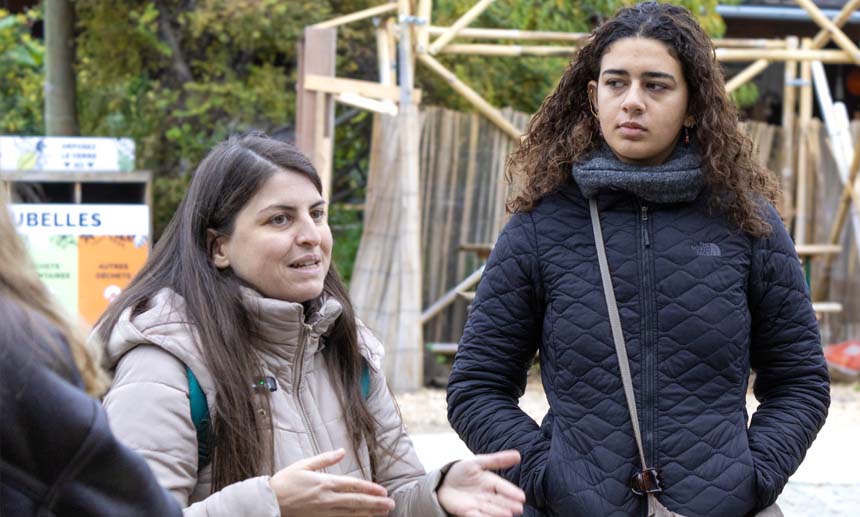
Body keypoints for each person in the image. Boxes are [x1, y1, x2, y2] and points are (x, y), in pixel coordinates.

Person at [446, 3, 831, 516]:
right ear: (592, 96)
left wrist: (751, 478)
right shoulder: (542, 225)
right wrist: (548, 477)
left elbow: (800, 381)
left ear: (692, 104)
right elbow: (477, 386)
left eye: (656, 85)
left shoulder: (746, 222)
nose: (632, 102)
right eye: (615, 83)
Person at [93, 133, 526, 517]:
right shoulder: (165, 365)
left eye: (316, 214)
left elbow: (390, 497)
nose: (311, 236)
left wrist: (437, 493)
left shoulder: (346, 350)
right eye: (279, 219)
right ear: (218, 246)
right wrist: (269, 505)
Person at [0, 194, 181, 516]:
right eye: (277, 219)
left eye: (306, 213)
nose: (304, 234)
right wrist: (265, 499)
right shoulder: (18, 346)